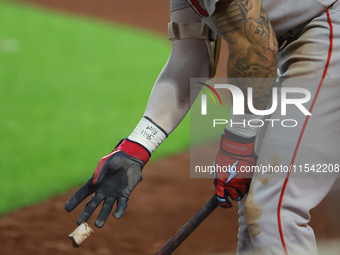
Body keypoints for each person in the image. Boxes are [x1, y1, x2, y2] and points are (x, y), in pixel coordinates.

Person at [65, 0, 340, 254]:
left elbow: (256, 50)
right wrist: (138, 145)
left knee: (274, 209)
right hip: (290, 41)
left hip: (327, 26)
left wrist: (238, 145)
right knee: (254, 207)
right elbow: (190, 57)